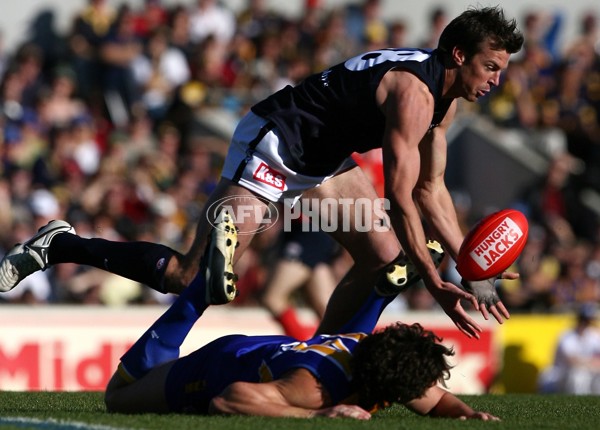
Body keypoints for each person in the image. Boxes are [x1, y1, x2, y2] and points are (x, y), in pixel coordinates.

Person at [0, 7, 523, 338]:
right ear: (459, 53)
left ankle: (317, 365)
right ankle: (59, 245)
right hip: (278, 143)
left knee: (385, 267)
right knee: (190, 276)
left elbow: (432, 191)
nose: (497, 81)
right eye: (491, 67)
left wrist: (474, 270)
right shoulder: (415, 94)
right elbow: (405, 200)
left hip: (326, 159)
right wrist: (439, 283)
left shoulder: (444, 101)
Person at [104, 213, 499, 420]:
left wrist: (468, 414)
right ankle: (195, 299)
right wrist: (320, 413)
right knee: (118, 398)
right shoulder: (312, 389)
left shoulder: (377, 354)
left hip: (275, 351)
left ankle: (380, 295)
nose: (427, 391)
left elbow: (438, 401)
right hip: (217, 367)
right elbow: (228, 401)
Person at [538, 303, 600, 395]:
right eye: (585, 320)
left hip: (586, 372)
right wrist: (591, 362)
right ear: (579, 320)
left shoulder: (593, 335)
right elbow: (572, 361)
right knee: (578, 376)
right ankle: (578, 407)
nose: (586, 324)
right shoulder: (567, 336)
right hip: (560, 375)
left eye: (589, 321)